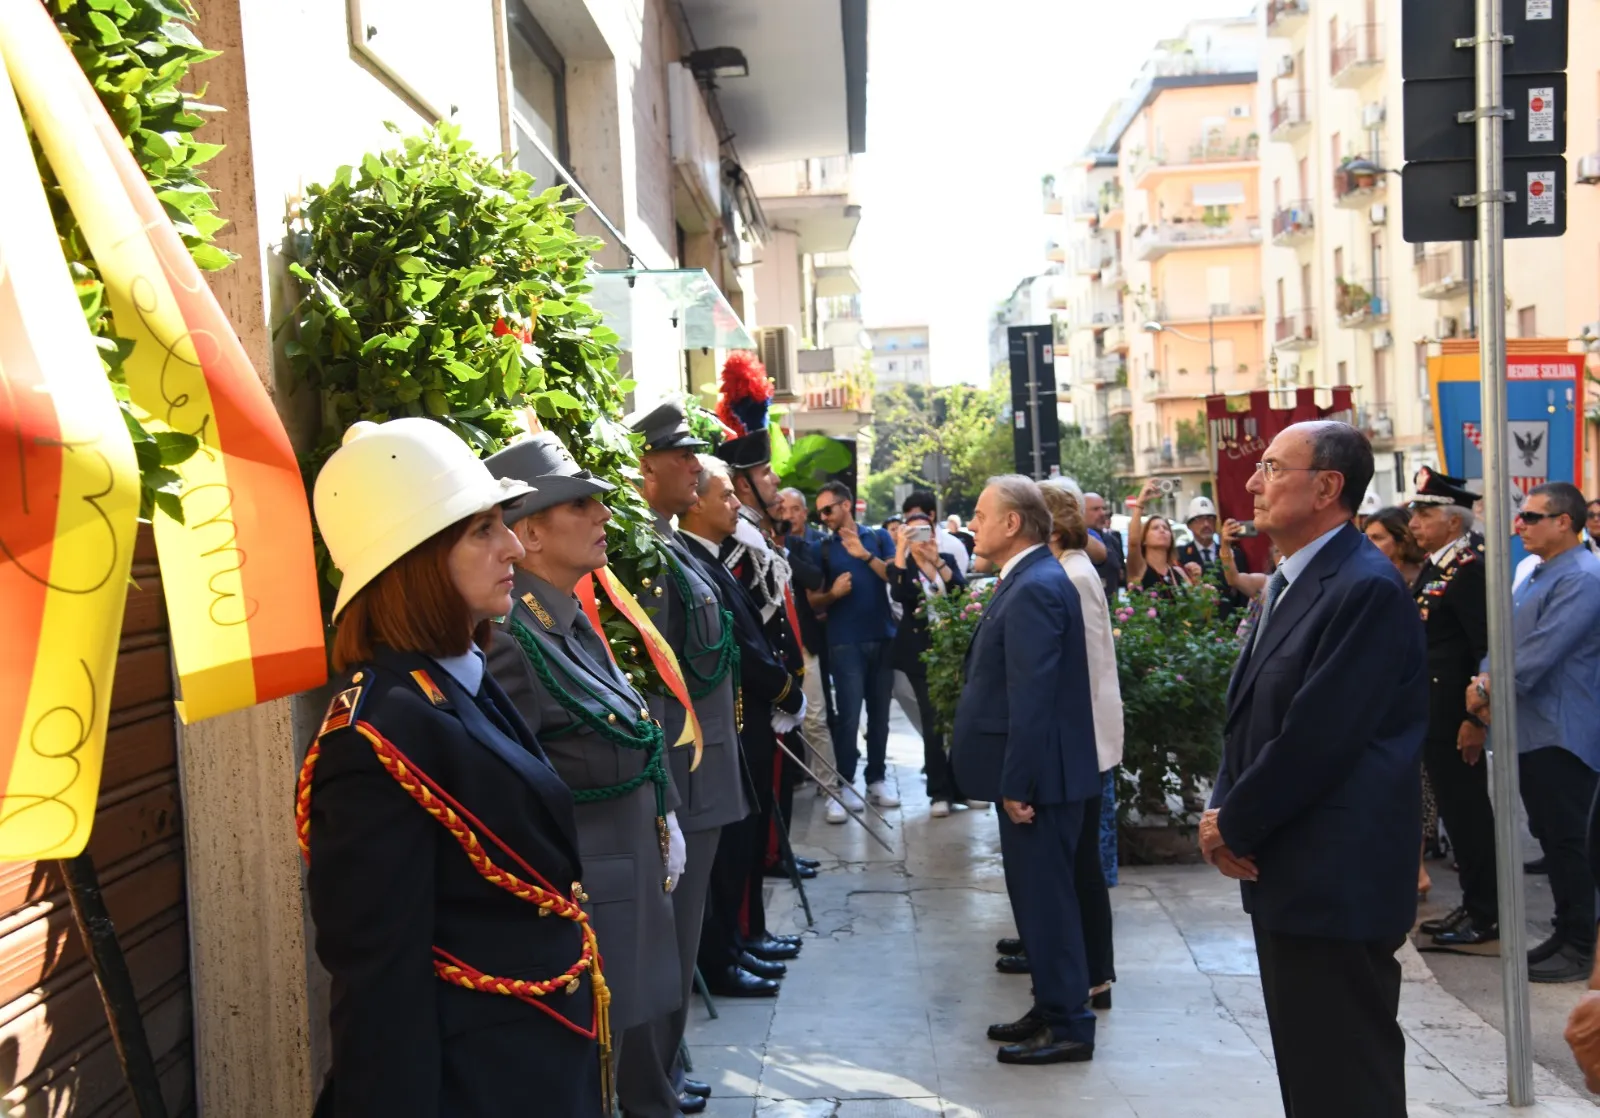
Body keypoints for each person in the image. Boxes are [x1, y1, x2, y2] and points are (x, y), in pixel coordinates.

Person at [300, 418, 605, 1116]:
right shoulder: (373, 738)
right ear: (414, 562)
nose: (510, 545)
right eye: (481, 529)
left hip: (531, 1062)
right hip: (477, 1084)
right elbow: (379, 984)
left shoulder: (457, 676)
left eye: (503, 523)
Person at [1199, 421, 1425, 1118]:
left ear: (1328, 487)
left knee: (1346, 1075)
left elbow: (1317, 736)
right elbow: (1253, 716)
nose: (1253, 484)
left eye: (1272, 468)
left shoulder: (1362, 587)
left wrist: (1231, 822)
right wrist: (1221, 807)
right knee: (1312, 1069)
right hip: (1293, 868)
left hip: (1335, 873)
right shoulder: (1293, 581)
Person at [482, 433, 685, 1077]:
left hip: (625, 884)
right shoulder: (514, 639)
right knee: (589, 1078)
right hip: (588, 901)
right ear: (530, 535)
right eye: (578, 505)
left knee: (614, 1068)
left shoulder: (566, 622)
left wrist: (666, 814)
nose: (602, 515)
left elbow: (636, 732)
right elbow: (515, 797)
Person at [621, 400, 750, 1116]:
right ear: (644, 466)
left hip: (705, 768)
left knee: (684, 930)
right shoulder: (644, 556)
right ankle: (649, 1084)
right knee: (666, 939)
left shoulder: (667, 546)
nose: (695, 466)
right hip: (682, 773)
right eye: (681, 457)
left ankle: (664, 1071)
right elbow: (653, 684)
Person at [952, 476, 1101, 1067]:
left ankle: (1069, 1024)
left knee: (1049, 903)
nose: (974, 523)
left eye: (983, 514)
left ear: (1013, 524)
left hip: (1042, 780)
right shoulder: (1032, 576)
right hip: (1043, 775)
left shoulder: (1037, 584)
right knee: (1038, 902)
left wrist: (1018, 781)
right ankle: (1052, 1005)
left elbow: (1032, 695)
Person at [679, 456, 808, 997]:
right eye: (725, 495)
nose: (737, 505)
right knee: (728, 853)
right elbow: (734, 648)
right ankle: (724, 953)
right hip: (727, 723)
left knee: (746, 844)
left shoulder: (711, 559)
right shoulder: (688, 559)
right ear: (696, 501)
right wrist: (783, 690)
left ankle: (739, 941)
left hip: (748, 720)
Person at [1467, 481, 1600, 983]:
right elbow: (1502, 636)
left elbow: (1544, 649)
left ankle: (1581, 943)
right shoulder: (1539, 573)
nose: (1519, 525)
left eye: (1531, 517)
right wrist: (1484, 677)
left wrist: (1486, 688)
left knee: (1569, 840)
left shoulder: (1584, 577)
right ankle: (1565, 934)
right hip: (1531, 726)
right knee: (1549, 833)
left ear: (1564, 521)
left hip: (1562, 729)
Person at [1035, 483, 1123, 1009]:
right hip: (1080, 742)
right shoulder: (1069, 570)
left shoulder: (1072, 573)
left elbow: (1087, 668)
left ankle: (1094, 973)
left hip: (1080, 745)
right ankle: (1088, 967)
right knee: (1076, 863)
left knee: (1081, 865)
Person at [1403, 470, 1496, 951]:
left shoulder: (1469, 567)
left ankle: (1487, 913)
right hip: (1433, 712)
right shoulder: (1441, 565)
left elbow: (1485, 648)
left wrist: (1476, 718)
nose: (1414, 523)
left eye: (1425, 513)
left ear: (1454, 523)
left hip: (1456, 716)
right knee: (1458, 816)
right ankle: (1475, 902)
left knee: (1468, 814)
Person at [809, 479, 904, 823]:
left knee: (880, 716)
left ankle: (876, 778)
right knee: (849, 716)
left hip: (882, 636)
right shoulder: (822, 547)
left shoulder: (878, 538)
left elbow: (894, 578)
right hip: (844, 641)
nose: (823, 517)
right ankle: (845, 782)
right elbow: (814, 600)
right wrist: (833, 594)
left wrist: (865, 557)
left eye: (828, 509)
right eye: (819, 512)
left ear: (846, 505)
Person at [1363, 505, 1442, 898]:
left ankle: (1417, 872)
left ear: (1399, 540)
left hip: (1415, 698)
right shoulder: (1379, 577)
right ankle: (1415, 871)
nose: (1369, 544)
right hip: (1391, 695)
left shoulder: (1416, 578)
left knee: (1415, 789)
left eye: (1378, 536)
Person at [887, 510, 967, 817]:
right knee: (933, 722)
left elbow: (960, 592)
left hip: (951, 651)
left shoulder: (945, 557)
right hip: (919, 654)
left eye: (926, 531)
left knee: (958, 720)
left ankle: (962, 786)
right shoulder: (904, 566)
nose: (923, 539)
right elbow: (899, 592)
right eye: (915, 533)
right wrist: (900, 549)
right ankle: (939, 792)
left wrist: (938, 562)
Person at [777, 487, 835, 799]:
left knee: (816, 717)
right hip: (774, 648)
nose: (785, 516)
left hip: (805, 645)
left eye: (792, 509)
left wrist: (783, 551)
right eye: (780, 509)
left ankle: (829, 786)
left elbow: (815, 579)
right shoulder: (747, 545)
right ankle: (790, 780)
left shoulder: (799, 545)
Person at [1124, 479, 1191, 596]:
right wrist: (1140, 503)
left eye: (1166, 528)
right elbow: (1133, 543)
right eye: (1155, 528)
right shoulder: (1140, 569)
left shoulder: (1179, 573)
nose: (1162, 530)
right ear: (1144, 539)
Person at [903, 489, 972, 574]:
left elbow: (957, 585)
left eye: (915, 517)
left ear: (931, 515)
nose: (911, 524)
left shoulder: (954, 546)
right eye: (907, 519)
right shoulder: (904, 547)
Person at [1083, 491, 1126, 601]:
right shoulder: (1073, 542)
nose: (1102, 513)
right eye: (1095, 509)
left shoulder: (1112, 540)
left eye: (1103, 508)